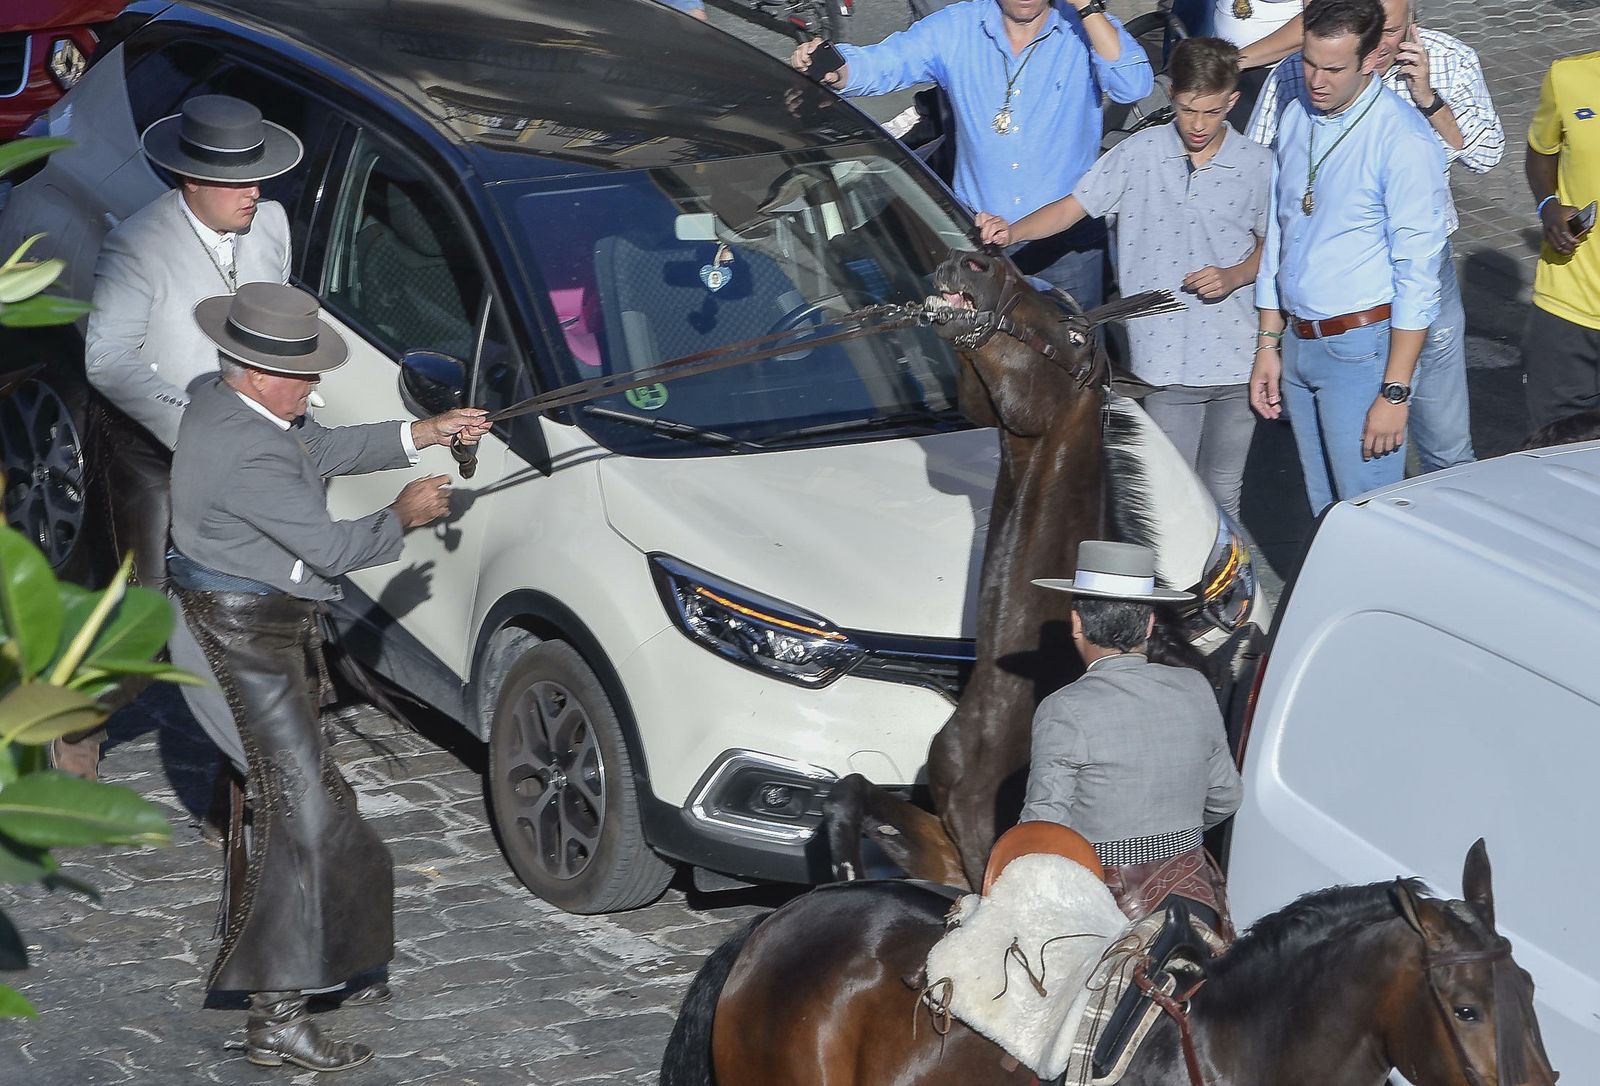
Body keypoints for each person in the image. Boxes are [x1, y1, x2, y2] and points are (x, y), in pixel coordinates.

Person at [167, 282, 490, 1071]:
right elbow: (334, 551)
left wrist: (426, 431)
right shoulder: (249, 446)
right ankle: (276, 1016)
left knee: (322, 803)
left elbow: (324, 449)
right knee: (301, 814)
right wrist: (403, 516)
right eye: (303, 375)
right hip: (233, 637)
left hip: (260, 625)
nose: (314, 387)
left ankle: (341, 953)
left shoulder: (234, 405)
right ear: (252, 369)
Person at [59, 94, 300, 782]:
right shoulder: (137, 244)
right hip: (148, 449)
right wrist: (188, 421)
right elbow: (107, 357)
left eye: (258, 175)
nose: (254, 191)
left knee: (249, 613)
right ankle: (81, 713)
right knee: (153, 612)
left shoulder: (273, 225)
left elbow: (275, 330)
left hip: (244, 447)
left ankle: (247, 788)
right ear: (192, 181)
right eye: (237, 180)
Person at [978, 37, 1271, 519]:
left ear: (1232, 102)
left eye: (1212, 113)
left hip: (1237, 362)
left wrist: (1236, 275)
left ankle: (1224, 593)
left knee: (1224, 496)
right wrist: (1012, 232)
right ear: (1172, 94)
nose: (1198, 125)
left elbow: (1273, 249)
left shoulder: (1259, 165)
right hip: (1165, 366)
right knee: (1172, 502)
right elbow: (1073, 208)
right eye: (1187, 109)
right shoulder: (1138, 154)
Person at [1249, 0, 1503, 473]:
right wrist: (1268, 340)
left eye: (1392, 30)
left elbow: (1483, 160)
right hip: (1305, 329)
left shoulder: (1407, 131)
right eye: (1309, 63)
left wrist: (1394, 390)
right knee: (1328, 506)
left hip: (1380, 314)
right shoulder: (1296, 105)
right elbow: (1278, 224)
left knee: (1430, 457)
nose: (1316, 80)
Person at [789, 0, 1154, 309]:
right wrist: (837, 69)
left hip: (1066, 248)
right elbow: (887, 61)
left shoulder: (1082, 28)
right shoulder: (959, 26)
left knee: (1075, 375)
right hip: (981, 242)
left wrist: (1087, 7)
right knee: (983, 378)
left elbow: (1133, 84)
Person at [1020, 541, 1242, 923]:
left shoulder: (1064, 708)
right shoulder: (1194, 686)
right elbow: (1226, 796)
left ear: (1077, 624)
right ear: (1150, 623)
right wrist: (1173, 843)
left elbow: (1044, 830)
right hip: (1195, 892)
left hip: (1106, 910)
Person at [1522, 50, 1600, 430]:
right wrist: (1549, 205)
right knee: (1553, 457)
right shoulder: (1566, 78)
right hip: (1566, 307)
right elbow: (1539, 155)